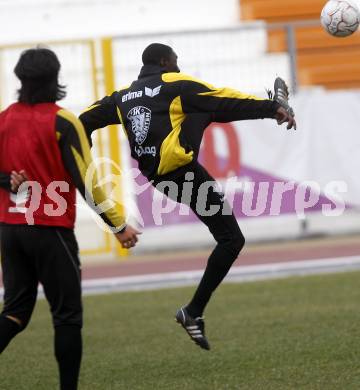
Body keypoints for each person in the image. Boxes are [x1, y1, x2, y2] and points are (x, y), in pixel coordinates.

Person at [79, 43, 296, 350]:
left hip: (160, 179)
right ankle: (193, 311)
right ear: (165, 61)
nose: (178, 67)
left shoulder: (122, 97)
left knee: (205, 107)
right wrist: (269, 108)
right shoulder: (176, 84)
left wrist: (83, 149)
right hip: (184, 175)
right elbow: (223, 97)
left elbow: (84, 119)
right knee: (232, 240)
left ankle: (272, 107)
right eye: (175, 61)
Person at [0, 47, 140, 389]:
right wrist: (118, 226)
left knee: (15, 312)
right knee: (67, 318)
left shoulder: (3, 119)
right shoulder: (63, 121)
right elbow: (86, 179)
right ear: (55, 78)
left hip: (10, 230)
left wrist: (6, 181)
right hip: (50, 232)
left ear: (20, 79)